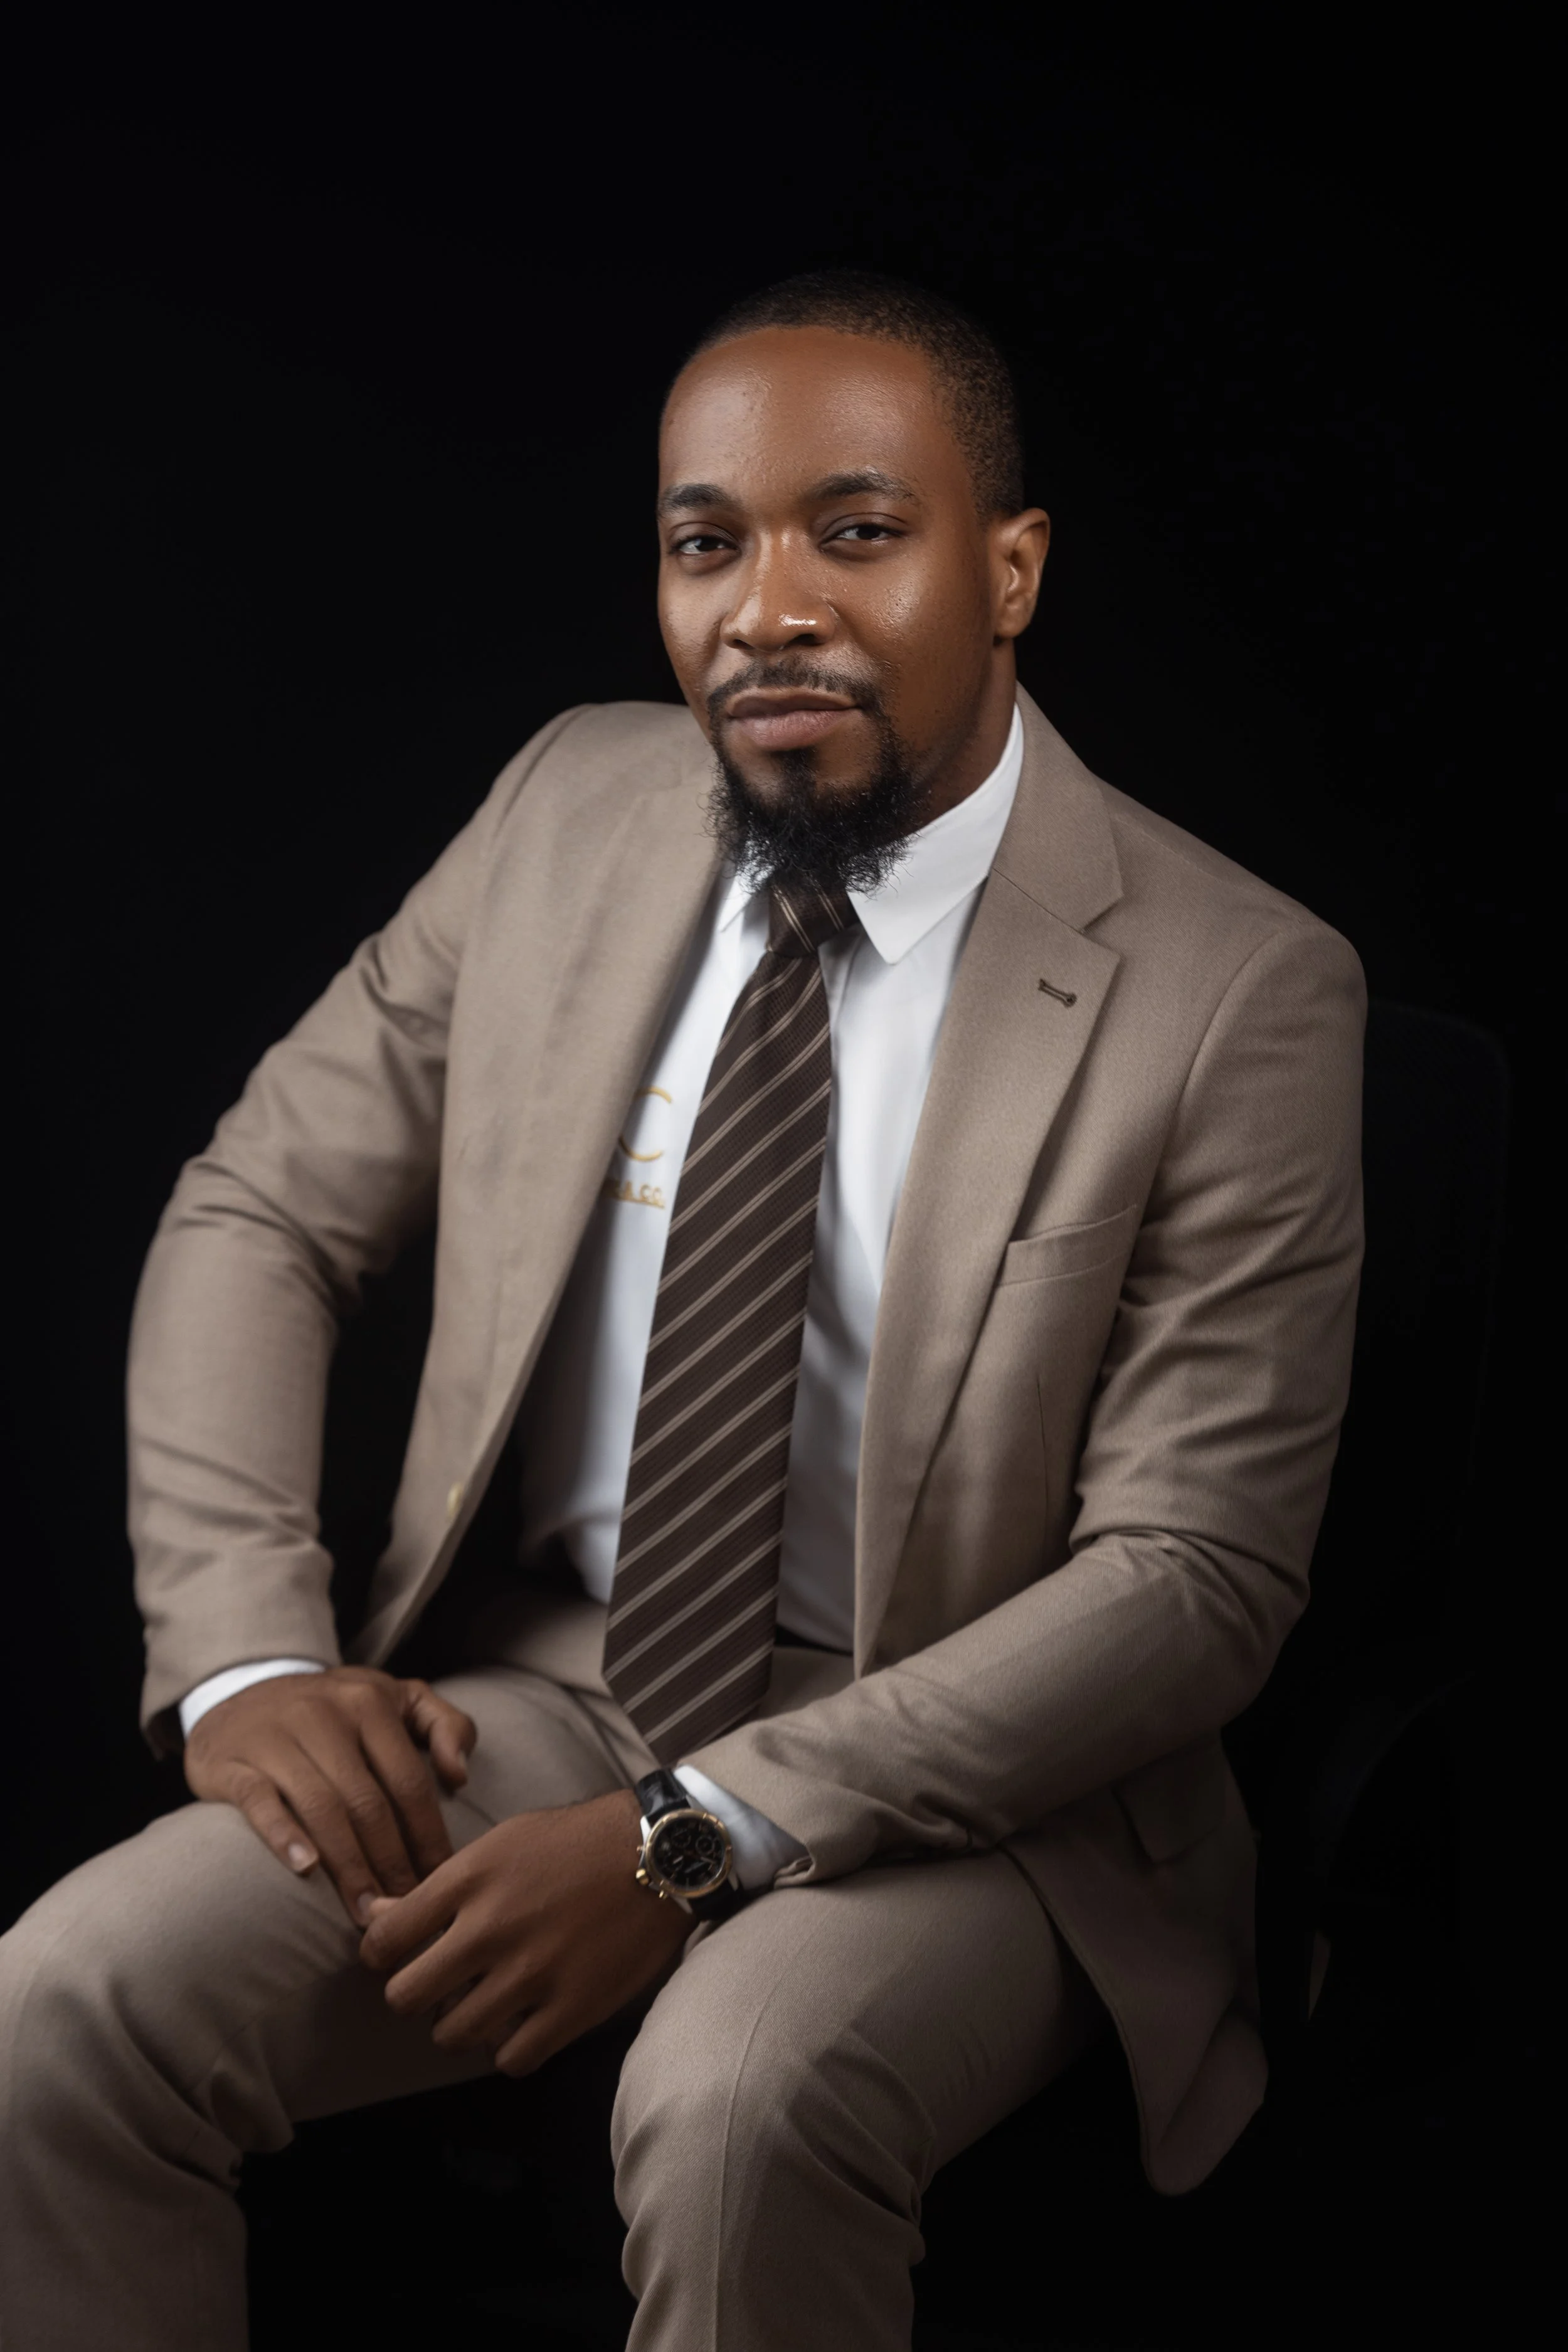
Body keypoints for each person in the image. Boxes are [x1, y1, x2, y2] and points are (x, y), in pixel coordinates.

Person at [0, 270, 1364, 2350]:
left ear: (1009, 570)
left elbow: (1192, 1579)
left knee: (736, 2108)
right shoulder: (572, 807)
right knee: (56, 2015)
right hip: (561, 1681)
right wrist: (247, 1655)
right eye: (705, 543)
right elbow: (259, 1206)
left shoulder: (1232, 988)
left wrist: (689, 1837)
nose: (768, 610)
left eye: (857, 532)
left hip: (989, 1777)